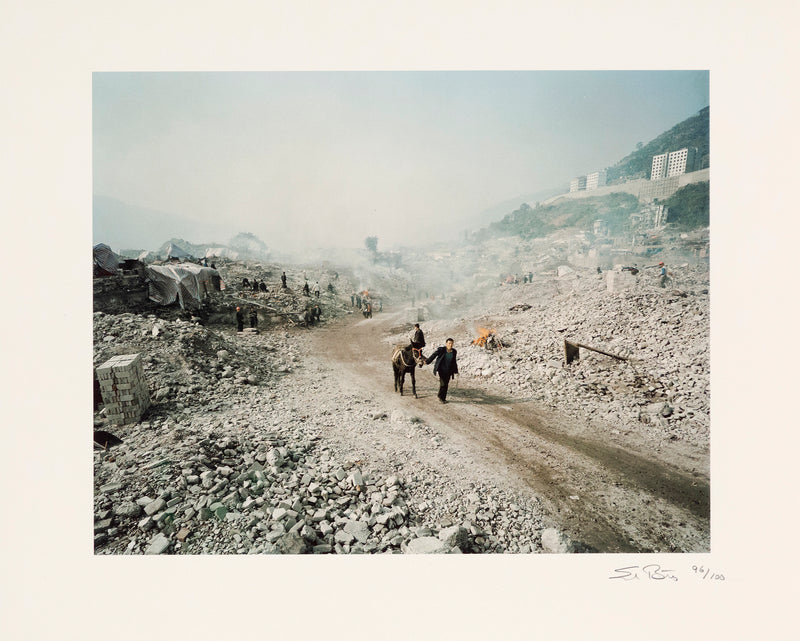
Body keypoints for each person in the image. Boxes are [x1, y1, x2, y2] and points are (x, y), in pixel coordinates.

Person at [426, 338, 458, 403]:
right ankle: (442, 398)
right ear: (446, 344)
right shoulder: (441, 350)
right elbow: (434, 355)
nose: (450, 345)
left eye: (452, 343)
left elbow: (454, 361)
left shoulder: (454, 351)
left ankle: (441, 396)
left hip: (449, 370)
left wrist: (455, 370)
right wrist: (427, 361)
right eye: (449, 343)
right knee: (443, 383)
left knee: (446, 384)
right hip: (441, 369)